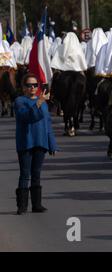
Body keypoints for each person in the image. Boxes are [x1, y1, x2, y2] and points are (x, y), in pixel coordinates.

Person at [14, 73, 57, 215]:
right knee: (25, 174)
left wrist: (52, 144)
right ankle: (22, 206)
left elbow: (48, 124)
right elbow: (26, 117)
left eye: (35, 85)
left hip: (40, 142)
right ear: (23, 87)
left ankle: (37, 204)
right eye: (29, 85)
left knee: (36, 174)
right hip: (26, 142)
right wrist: (38, 103)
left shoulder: (43, 103)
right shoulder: (20, 101)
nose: (32, 88)